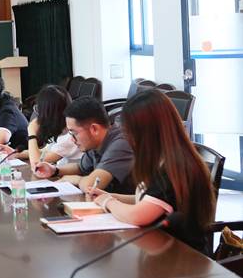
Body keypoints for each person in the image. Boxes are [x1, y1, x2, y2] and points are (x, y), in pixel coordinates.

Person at [88, 90, 215, 252]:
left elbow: (137, 216)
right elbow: (149, 201)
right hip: (161, 247)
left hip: (182, 256)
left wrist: (107, 202)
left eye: (129, 132)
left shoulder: (175, 167)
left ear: (147, 132)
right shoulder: (164, 158)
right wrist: (110, 196)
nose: (128, 138)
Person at [34, 96, 134, 193]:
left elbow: (91, 185)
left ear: (94, 129)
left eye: (74, 133)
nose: (72, 139)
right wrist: (54, 170)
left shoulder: (121, 143)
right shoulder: (95, 142)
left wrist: (75, 179)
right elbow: (80, 168)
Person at [0, 85, 82, 168]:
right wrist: (15, 153)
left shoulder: (70, 137)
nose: (38, 114)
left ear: (48, 113)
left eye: (39, 109)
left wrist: (32, 134)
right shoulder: (60, 128)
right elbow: (44, 152)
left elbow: (37, 163)